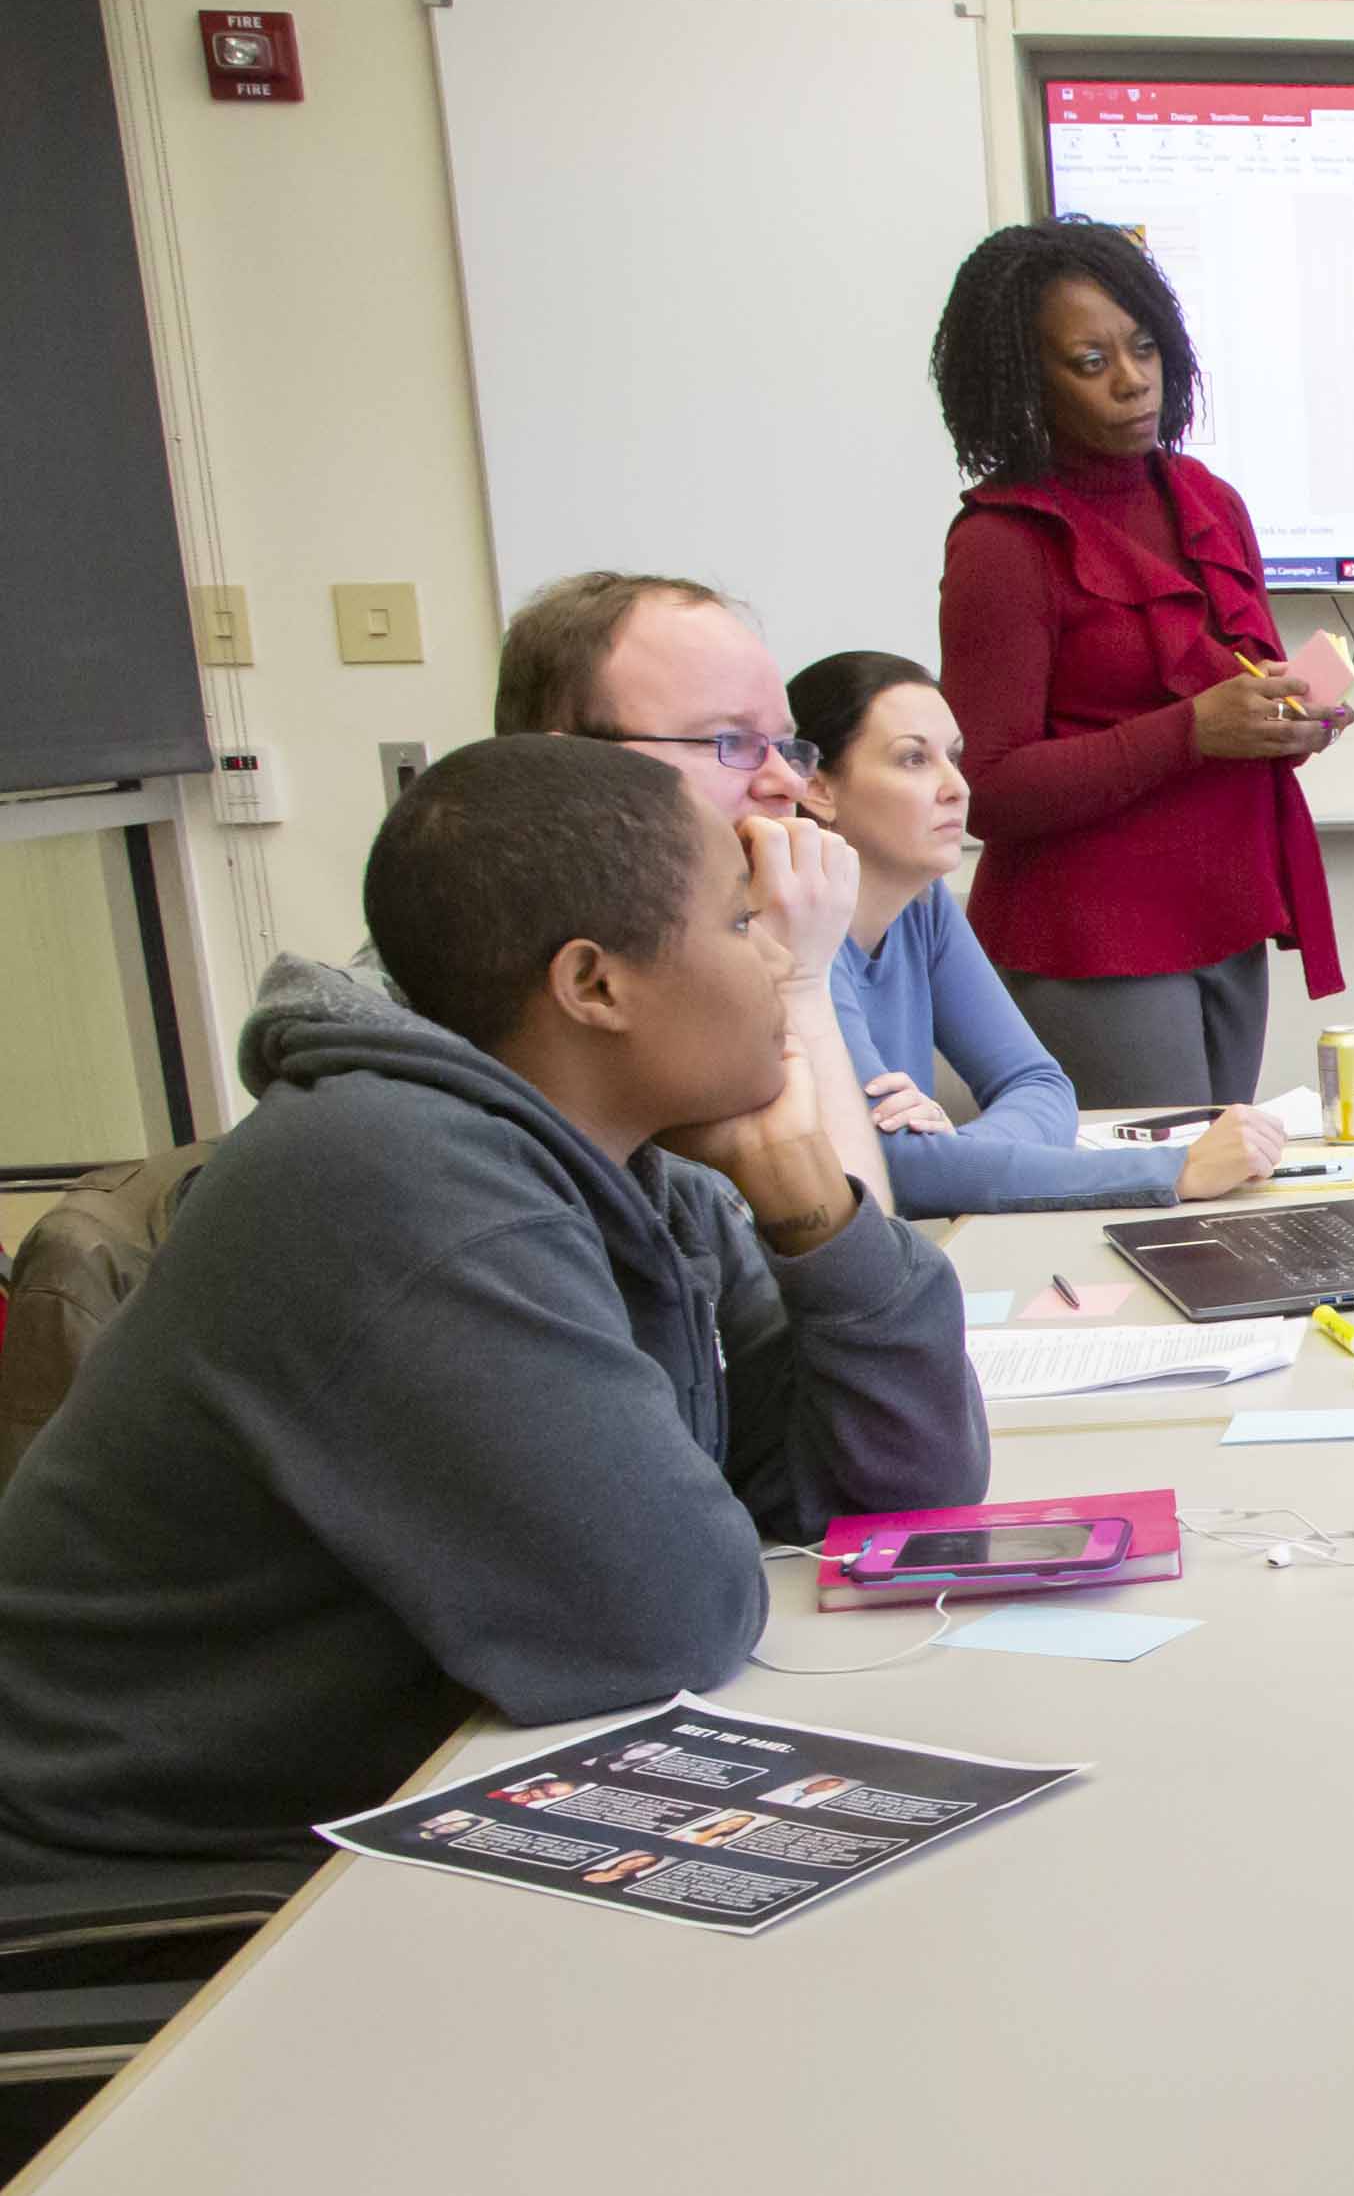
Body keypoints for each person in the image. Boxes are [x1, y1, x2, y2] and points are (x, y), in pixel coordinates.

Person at [0, 737, 989, 1933]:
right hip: (150, 1869)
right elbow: (659, 1620)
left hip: (384, 1789)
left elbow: (897, 1504)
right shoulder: (395, 1181)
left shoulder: (643, 1166)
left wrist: (812, 1212)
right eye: (741, 924)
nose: (783, 961)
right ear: (595, 985)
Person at [931, 218, 1345, 1107]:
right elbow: (988, 789)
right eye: (1090, 362)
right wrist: (1194, 731)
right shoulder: (1004, 542)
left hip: (1228, 911)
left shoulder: (1208, 501)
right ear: (1023, 382)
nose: (1134, 381)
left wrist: (1287, 722)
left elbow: (1240, 680)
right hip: (1092, 942)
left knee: (1223, 1199)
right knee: (1160, 1216)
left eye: (1146, 347)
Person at [783, 648, 1286, 1215]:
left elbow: (1041, 1086)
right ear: (817, 788)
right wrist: (1178, 1170)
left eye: (953, 757)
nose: (957, 787)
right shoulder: (794, 931)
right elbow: (896, 1172)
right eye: (912, 761)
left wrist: (951, 1154)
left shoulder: (925, 906)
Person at [493, 569, 896, 1216]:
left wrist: (798, 975)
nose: (784, 784)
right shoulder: (471, 1006)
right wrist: (798, 983)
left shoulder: (746, 932)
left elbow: (865, 1273)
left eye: (785, 746)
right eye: (731, 741)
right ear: (570, 768)